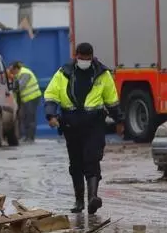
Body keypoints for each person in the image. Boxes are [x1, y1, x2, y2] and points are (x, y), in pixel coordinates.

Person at [43, 43, 124, 214]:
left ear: (92, 56)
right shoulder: (64, 73)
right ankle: (79, 200)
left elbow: (111, 100)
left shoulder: (102, 74)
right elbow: (51, 94)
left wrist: (120, 121)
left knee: (92, 159)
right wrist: (51, 115)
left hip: (94, 124)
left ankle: (92, 198)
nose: (84, 61)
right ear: (76, 56)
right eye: (82, 58)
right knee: (76, 164)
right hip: (71, 125)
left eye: (88, 58)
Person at [8, 61, 41, 143]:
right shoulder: (18, 75)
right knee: (24, 117)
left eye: (12, 70)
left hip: (32, 97)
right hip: (25, 99)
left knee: (30, 118)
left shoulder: (25, 73)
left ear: (16, 69)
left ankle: (30, 137)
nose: (11, 72)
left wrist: (12, 87)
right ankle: (25, 136)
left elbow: (20, 86)